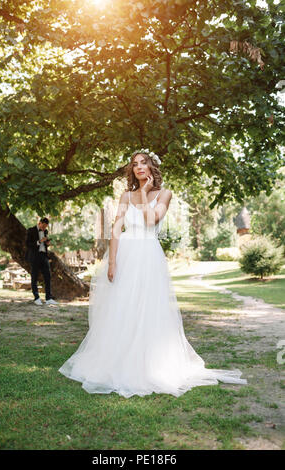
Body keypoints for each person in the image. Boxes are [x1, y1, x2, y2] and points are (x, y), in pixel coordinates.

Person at [58, 149, 247, 398]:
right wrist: (112, 261)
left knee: (147, 307)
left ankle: (149, 364)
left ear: (151, 167)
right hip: (125, 254)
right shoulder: (125, 195)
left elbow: (150, 221)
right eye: (134, 164)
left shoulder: (164, 194)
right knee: (122, 307)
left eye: (143, 163)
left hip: (148, 254)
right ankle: (117, 361)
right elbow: (116, 228)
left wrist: (146, 193)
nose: (139, 167)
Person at [25, 217, 58, 306]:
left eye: (45, 227)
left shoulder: (46, 232)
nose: (44, 229)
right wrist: (39, 241)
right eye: (43, 226)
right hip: (34, 257)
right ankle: (36, 298)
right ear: (39, 223)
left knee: (48, 276)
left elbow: (45, 245)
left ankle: (48, 298)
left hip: (44, 256)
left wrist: (47, 244)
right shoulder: (31, 230)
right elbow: (28, 244)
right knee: (34, 277)